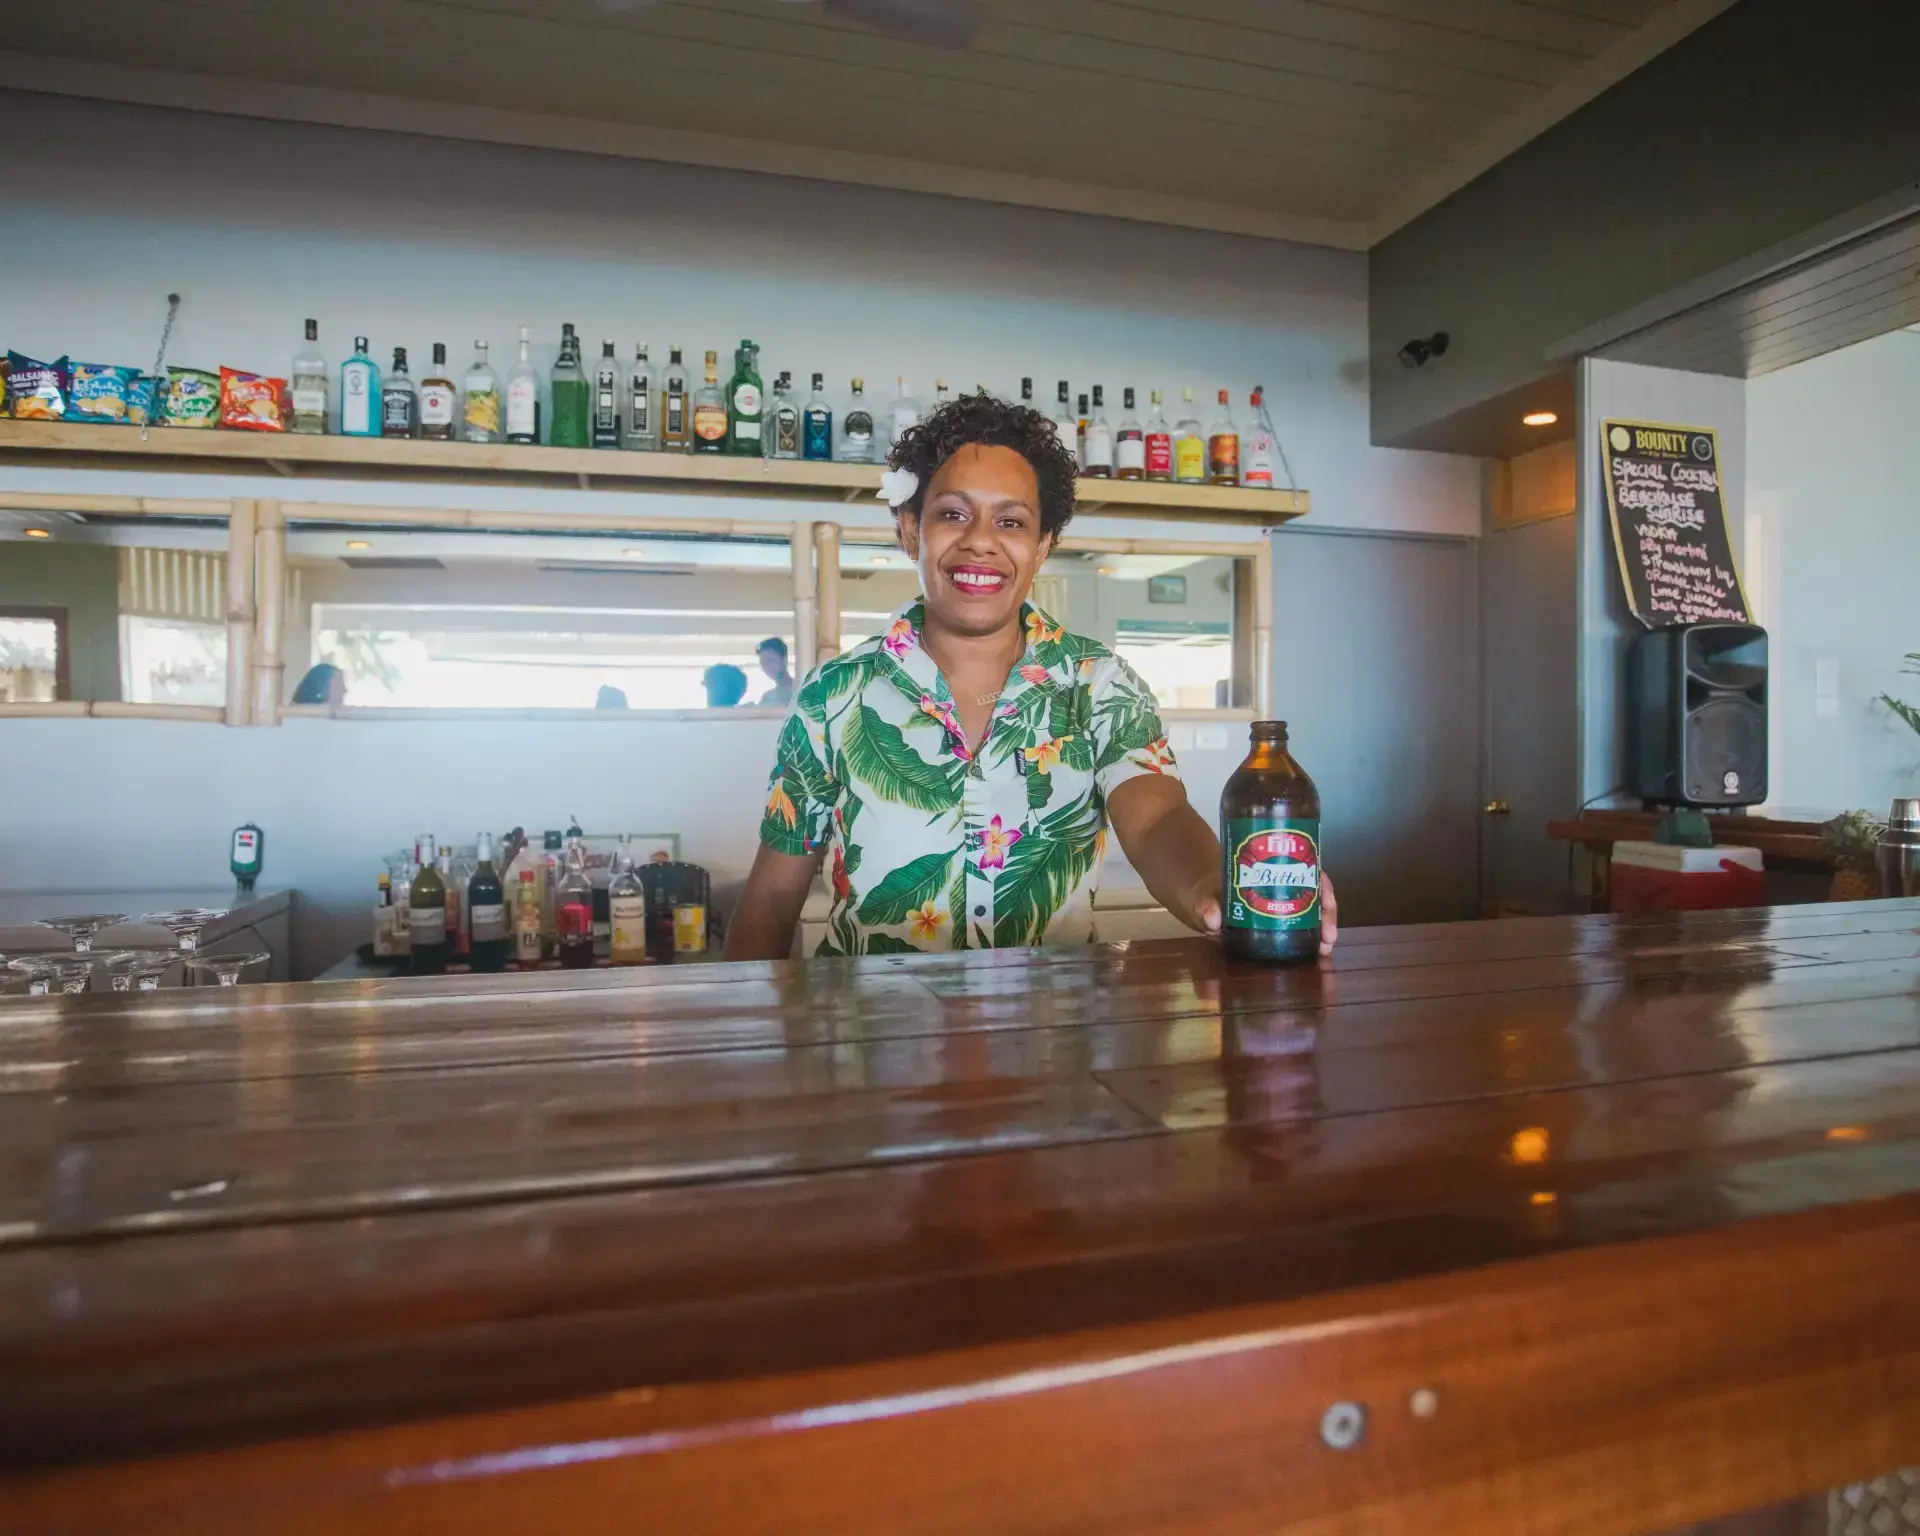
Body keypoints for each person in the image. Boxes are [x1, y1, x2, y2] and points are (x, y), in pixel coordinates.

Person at [727, 392, 1336, 960]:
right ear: (910, 528)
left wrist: (1213, 884)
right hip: (871, 1050)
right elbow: (774, 896)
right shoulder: (834, 695)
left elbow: (1155, 818)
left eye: (1011, 523)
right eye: (952, 514)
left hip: (1052, 1051)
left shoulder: (1100, 684)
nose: (980, 543)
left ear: (1044, 545)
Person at [755, 636, 794, 707]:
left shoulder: (802, 690)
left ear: (784, 659)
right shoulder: (767, 698)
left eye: (770, 660)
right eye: (762, 663)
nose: (766, 667)